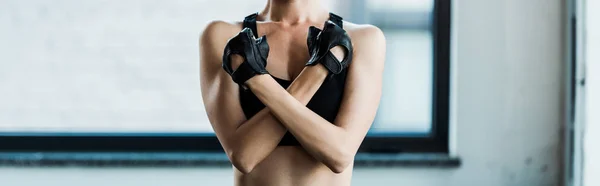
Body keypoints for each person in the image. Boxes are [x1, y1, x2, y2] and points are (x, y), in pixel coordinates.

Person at [199, 0, 386, 185]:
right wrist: (320, 69)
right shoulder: (223, 35)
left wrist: (256, 80)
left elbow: (339, 154)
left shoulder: (364, 39)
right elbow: (244, 156)